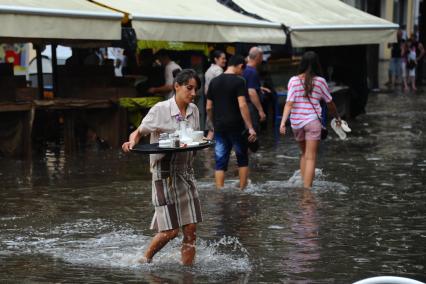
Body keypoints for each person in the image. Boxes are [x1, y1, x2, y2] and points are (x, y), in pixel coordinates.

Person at [122, 69, 202, 265]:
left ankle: (187, 274)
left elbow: (194, 139)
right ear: (176, 86)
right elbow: (138, 132)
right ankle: (144, 260)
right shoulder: (160, 109)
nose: (193, 93)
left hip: (186, 173)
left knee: (191, 230)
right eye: (189, 88)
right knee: (170, 232)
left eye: (195, 89)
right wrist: (131, 142)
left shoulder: (194, 111)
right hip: (163, 174)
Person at [279, 51, 341, 189]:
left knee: (304, 154)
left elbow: (289, 103)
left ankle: (302, 184)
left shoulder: (293, 81)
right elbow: (330, 103)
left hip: (296, 123)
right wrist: (337, 117)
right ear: (317, 64)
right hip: (313, 122)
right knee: (311, 157)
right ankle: (307, 190)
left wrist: (283, 122)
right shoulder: (320, 81)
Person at [206, 55, 257, 190]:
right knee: (242, 158)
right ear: (240, 66)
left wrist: (213, 122)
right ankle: (242, 190)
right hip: (237, 125)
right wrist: (250, 127)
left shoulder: (214, 82)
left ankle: (219, 190)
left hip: (220, 126)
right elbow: (242, 105)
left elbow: (208, 107)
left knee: (220, 160)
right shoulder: (240, 81)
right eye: (243, 69)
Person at [242, 47, 270, 133]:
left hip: (245, 106)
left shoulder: (245, 69)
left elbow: (247, 86)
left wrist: (259, 87)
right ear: (258, 57)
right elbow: (251, 92)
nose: (262, 59)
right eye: (261, 57)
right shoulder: (252, 72)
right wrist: (261, 111)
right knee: (252, 133)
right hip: (250, 107)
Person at [204, 50, 227, 140]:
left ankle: (206, 151)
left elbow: (206, 91)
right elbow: (223, 89)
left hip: (211, 102)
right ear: (216, 59)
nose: (225, 60)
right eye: (223, 58)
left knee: (212, 128)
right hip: (217, 104)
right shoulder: (218, 71)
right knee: (213, 129)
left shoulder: (209, 70)